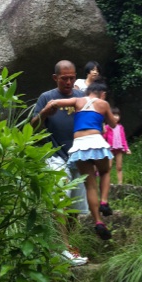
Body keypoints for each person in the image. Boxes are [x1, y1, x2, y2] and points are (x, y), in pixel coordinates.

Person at [31, 60, 89, 266]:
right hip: (55, 156)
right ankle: (62, 248)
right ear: (55, 78)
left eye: (72, 78)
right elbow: (32, 127)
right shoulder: (47, 98)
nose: (69, 82)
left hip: (79, 157)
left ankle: (66, 247)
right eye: (64, 78)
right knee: (60, 202)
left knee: (76, 208)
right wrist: (45, 113)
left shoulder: (81, 96)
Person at [46, 80, 117, 240]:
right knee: (105, 171)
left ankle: (98, 221)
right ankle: (104, 201)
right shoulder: (103, 103)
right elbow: (113, 124)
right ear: (103, 94)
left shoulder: (78, 101)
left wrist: (50, 107)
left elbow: (56, 102)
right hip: (95, 141)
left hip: (79, 145)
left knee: (90, 185)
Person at [103, 107, 131, 184]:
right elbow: (103, 138)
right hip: (110, 149)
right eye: (113, 115)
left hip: (119, 149)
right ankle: (108, 183)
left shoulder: (120, 127)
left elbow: (123, 139)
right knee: (109, 166)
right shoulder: (107, 127)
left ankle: (120, 183)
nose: (115, 117)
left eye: (117, 115)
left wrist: (126, 148)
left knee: (119, 167)